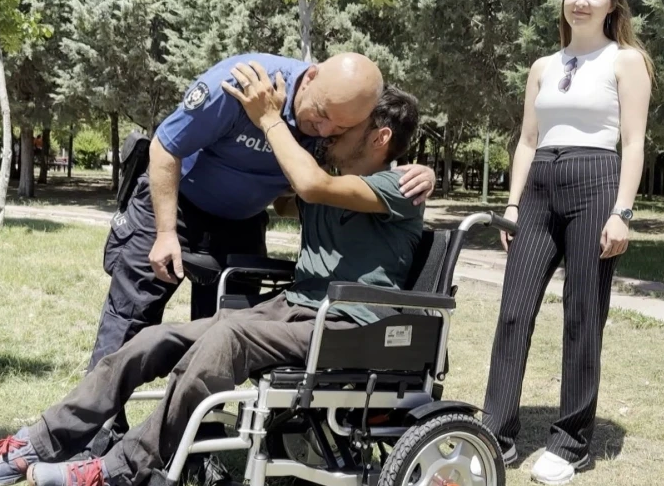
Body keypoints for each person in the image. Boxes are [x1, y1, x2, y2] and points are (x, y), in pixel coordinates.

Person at [0, 78, 425, 486]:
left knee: (227, 337)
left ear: (380, 138)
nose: (328, 133)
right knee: (155, 337)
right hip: (296, 308)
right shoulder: (334, 178)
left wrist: (267, 119)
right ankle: (37, 443)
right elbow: (287, 194)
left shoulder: (399, 185)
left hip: (348, 325)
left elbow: (307, 184)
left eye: (344, 129)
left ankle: (119, 471)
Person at [88, 51, 435, 377]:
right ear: (311, 76)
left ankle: (206, 430)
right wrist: (164, 233)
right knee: (130, 318)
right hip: (176, 205)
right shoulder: (242, 86)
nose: (326, 131)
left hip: (243, 224)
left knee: (223, 331)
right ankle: (95, 433)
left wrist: (418, 171)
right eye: (323, 115)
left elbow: (347, 169)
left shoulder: (337, 119)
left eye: (340, 127)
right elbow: (165, 147)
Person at [481, 0, 653, 486]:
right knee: (513, 312)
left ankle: (570, 441)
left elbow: (634, 142)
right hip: (539, 187)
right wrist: (511, 206)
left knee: (583, 315)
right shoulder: (542, 65)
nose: (581, 0)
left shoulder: (626, 60)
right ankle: (497, 431)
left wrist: (622, 212)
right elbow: (528, 140)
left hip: (595, 182)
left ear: (612, 5)